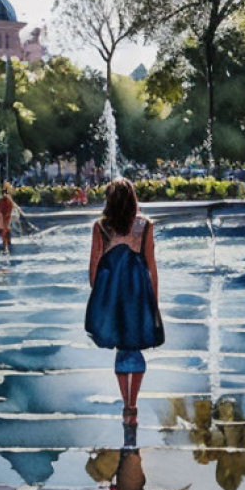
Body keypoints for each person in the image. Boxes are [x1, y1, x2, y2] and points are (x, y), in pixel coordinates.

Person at [86, 179, 163, 445]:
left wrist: (99, 294)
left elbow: (94, 264)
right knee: (135, 347)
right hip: (138, 291)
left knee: (122, 348)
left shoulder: (101, 227)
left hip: (112, 292)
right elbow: (151, 265)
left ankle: (126, 404)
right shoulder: (145, 225)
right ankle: (133, 403)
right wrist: (154, 297)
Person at [0, 186, 15, 253]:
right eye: (3, 193)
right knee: (5, 230)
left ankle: (6, 245)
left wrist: (8, 213)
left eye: (4, 193)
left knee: (5, 230)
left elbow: (10, 207)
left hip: (6, 217)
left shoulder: (7, 200)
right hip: (3, 217)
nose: (4, 194)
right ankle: (6, 245)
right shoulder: (2, 200)